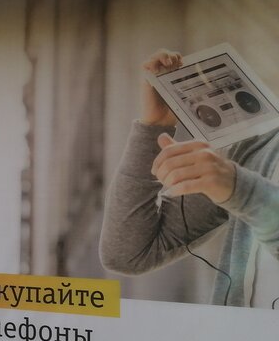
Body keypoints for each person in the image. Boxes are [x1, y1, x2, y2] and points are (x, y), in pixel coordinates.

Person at [100, 50, 279, 307]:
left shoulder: (241, 178)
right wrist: (154, 127)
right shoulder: (256, 151)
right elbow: (128, 254)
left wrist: (241, 190)